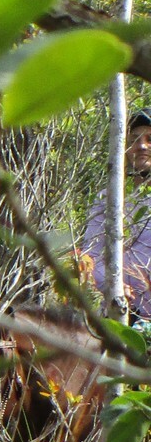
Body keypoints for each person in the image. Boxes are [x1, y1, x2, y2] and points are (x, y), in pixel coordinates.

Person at [78, 109, 151, 321]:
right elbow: (91, 256)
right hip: (118, 312)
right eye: (134, 139)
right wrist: (114, 286)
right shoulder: (108, 199)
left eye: (149, 139)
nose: (142, 146)